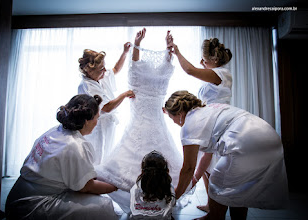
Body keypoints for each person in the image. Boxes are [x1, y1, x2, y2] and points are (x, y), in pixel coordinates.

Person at [95, 28, 183, 213]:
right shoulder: (159, 71)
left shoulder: (136, 71)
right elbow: (153, 64)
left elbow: (134, 64)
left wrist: (138, 44)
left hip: (145, 118)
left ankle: (145, 197)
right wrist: (167, 49)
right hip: (151, 119)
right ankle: (151, 196)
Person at [163, 90, 288, 220]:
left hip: (246, 142)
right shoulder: (209, 109)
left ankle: (214, 218)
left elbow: (188, 167)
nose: (175, 123)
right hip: (270, 137)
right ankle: (213, 216)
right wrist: (195, 179)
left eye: (173, 119)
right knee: (238, 188)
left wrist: (174, 197)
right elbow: (207, 155)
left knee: (217, 185)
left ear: (179, 114)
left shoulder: (189, 124)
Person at [5, 94, 118, 220]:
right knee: (103, 205)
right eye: (97, 118)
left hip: (16, 195)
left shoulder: (56, 130)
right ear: (86, 121)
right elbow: (86, 187)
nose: (97, 123)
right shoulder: (74, 145)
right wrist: (114, 187)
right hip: (32, 206)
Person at [167, 34, 233, 213]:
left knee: (211, 166)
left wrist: (178, 52)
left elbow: (189, 70)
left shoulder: (221, 74)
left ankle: (215, 209)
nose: (201, 62)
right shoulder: (218, 74)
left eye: (204, 59)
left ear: (214, 58)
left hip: (217, 121)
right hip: (211, 117)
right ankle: (211, 207)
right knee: (207, 167)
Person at [78, 43, 135, 165]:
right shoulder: (87, 86)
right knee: (98, 156)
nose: (105, 71)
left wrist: (124, 53)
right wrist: (124, 95)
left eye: (104, 67)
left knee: (107, 152)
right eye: (101, 69)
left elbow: (115, 70)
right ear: (89, 71)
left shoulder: (99, 76)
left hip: (108, 124)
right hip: (98, 126)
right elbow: (107, 107)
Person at [130, 151, 176, 219]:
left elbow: (133, 207)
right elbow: (172, 204)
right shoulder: (169, 188)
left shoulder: (136, 187)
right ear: (166, 171)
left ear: (143, 171)